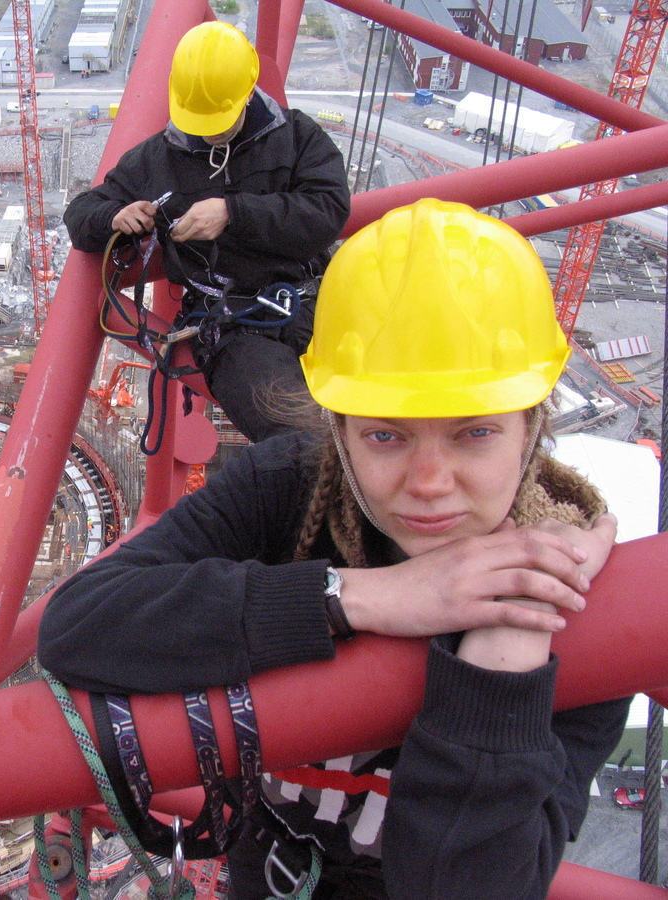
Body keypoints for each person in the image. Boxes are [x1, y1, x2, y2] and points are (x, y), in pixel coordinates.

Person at [39, 199, 630, 900]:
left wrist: (508, 644)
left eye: (475, 433)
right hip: (269, 870)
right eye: (387, 436)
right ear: (340, 431)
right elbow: (79, 624)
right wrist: (359, 597)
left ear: (530, 429)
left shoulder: (587, 607)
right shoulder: (292, 486)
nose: (430, 485)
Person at [63, 22, 351, 443]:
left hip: (315, 297)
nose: (208, 131)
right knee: (302, 439)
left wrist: (234, 213)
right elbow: (80, 215)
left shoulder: (297, 137)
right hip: (234, 325)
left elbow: (329, 211)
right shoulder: (156, 160)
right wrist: (115, 217)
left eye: (218, 119)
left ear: (249, 92)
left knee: (399, 400)